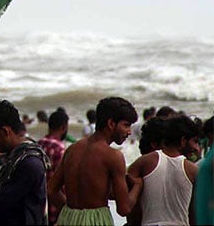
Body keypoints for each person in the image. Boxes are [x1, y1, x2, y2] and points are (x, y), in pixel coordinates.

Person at [48, 97, 142, 225]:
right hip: (96, 220)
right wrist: (137, 186)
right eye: (126, 125)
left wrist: (71, 210)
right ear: (111, 124)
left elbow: (51, 190)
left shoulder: (72, 149)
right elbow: (123, 209)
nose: (129, 132)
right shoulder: (113, 156)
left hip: (67, 218)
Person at [127, 115, 200, 225]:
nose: (196, 147)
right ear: (183, 140)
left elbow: (129, 202)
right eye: (194, 141)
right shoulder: (193, 170)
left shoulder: (144, 162)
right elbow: (194, 214)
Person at [38, 110, 69, 226]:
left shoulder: (37, 145)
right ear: (64, 127)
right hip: (55, 209)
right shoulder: (60, 149)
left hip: (39, 207)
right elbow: (64, 184)